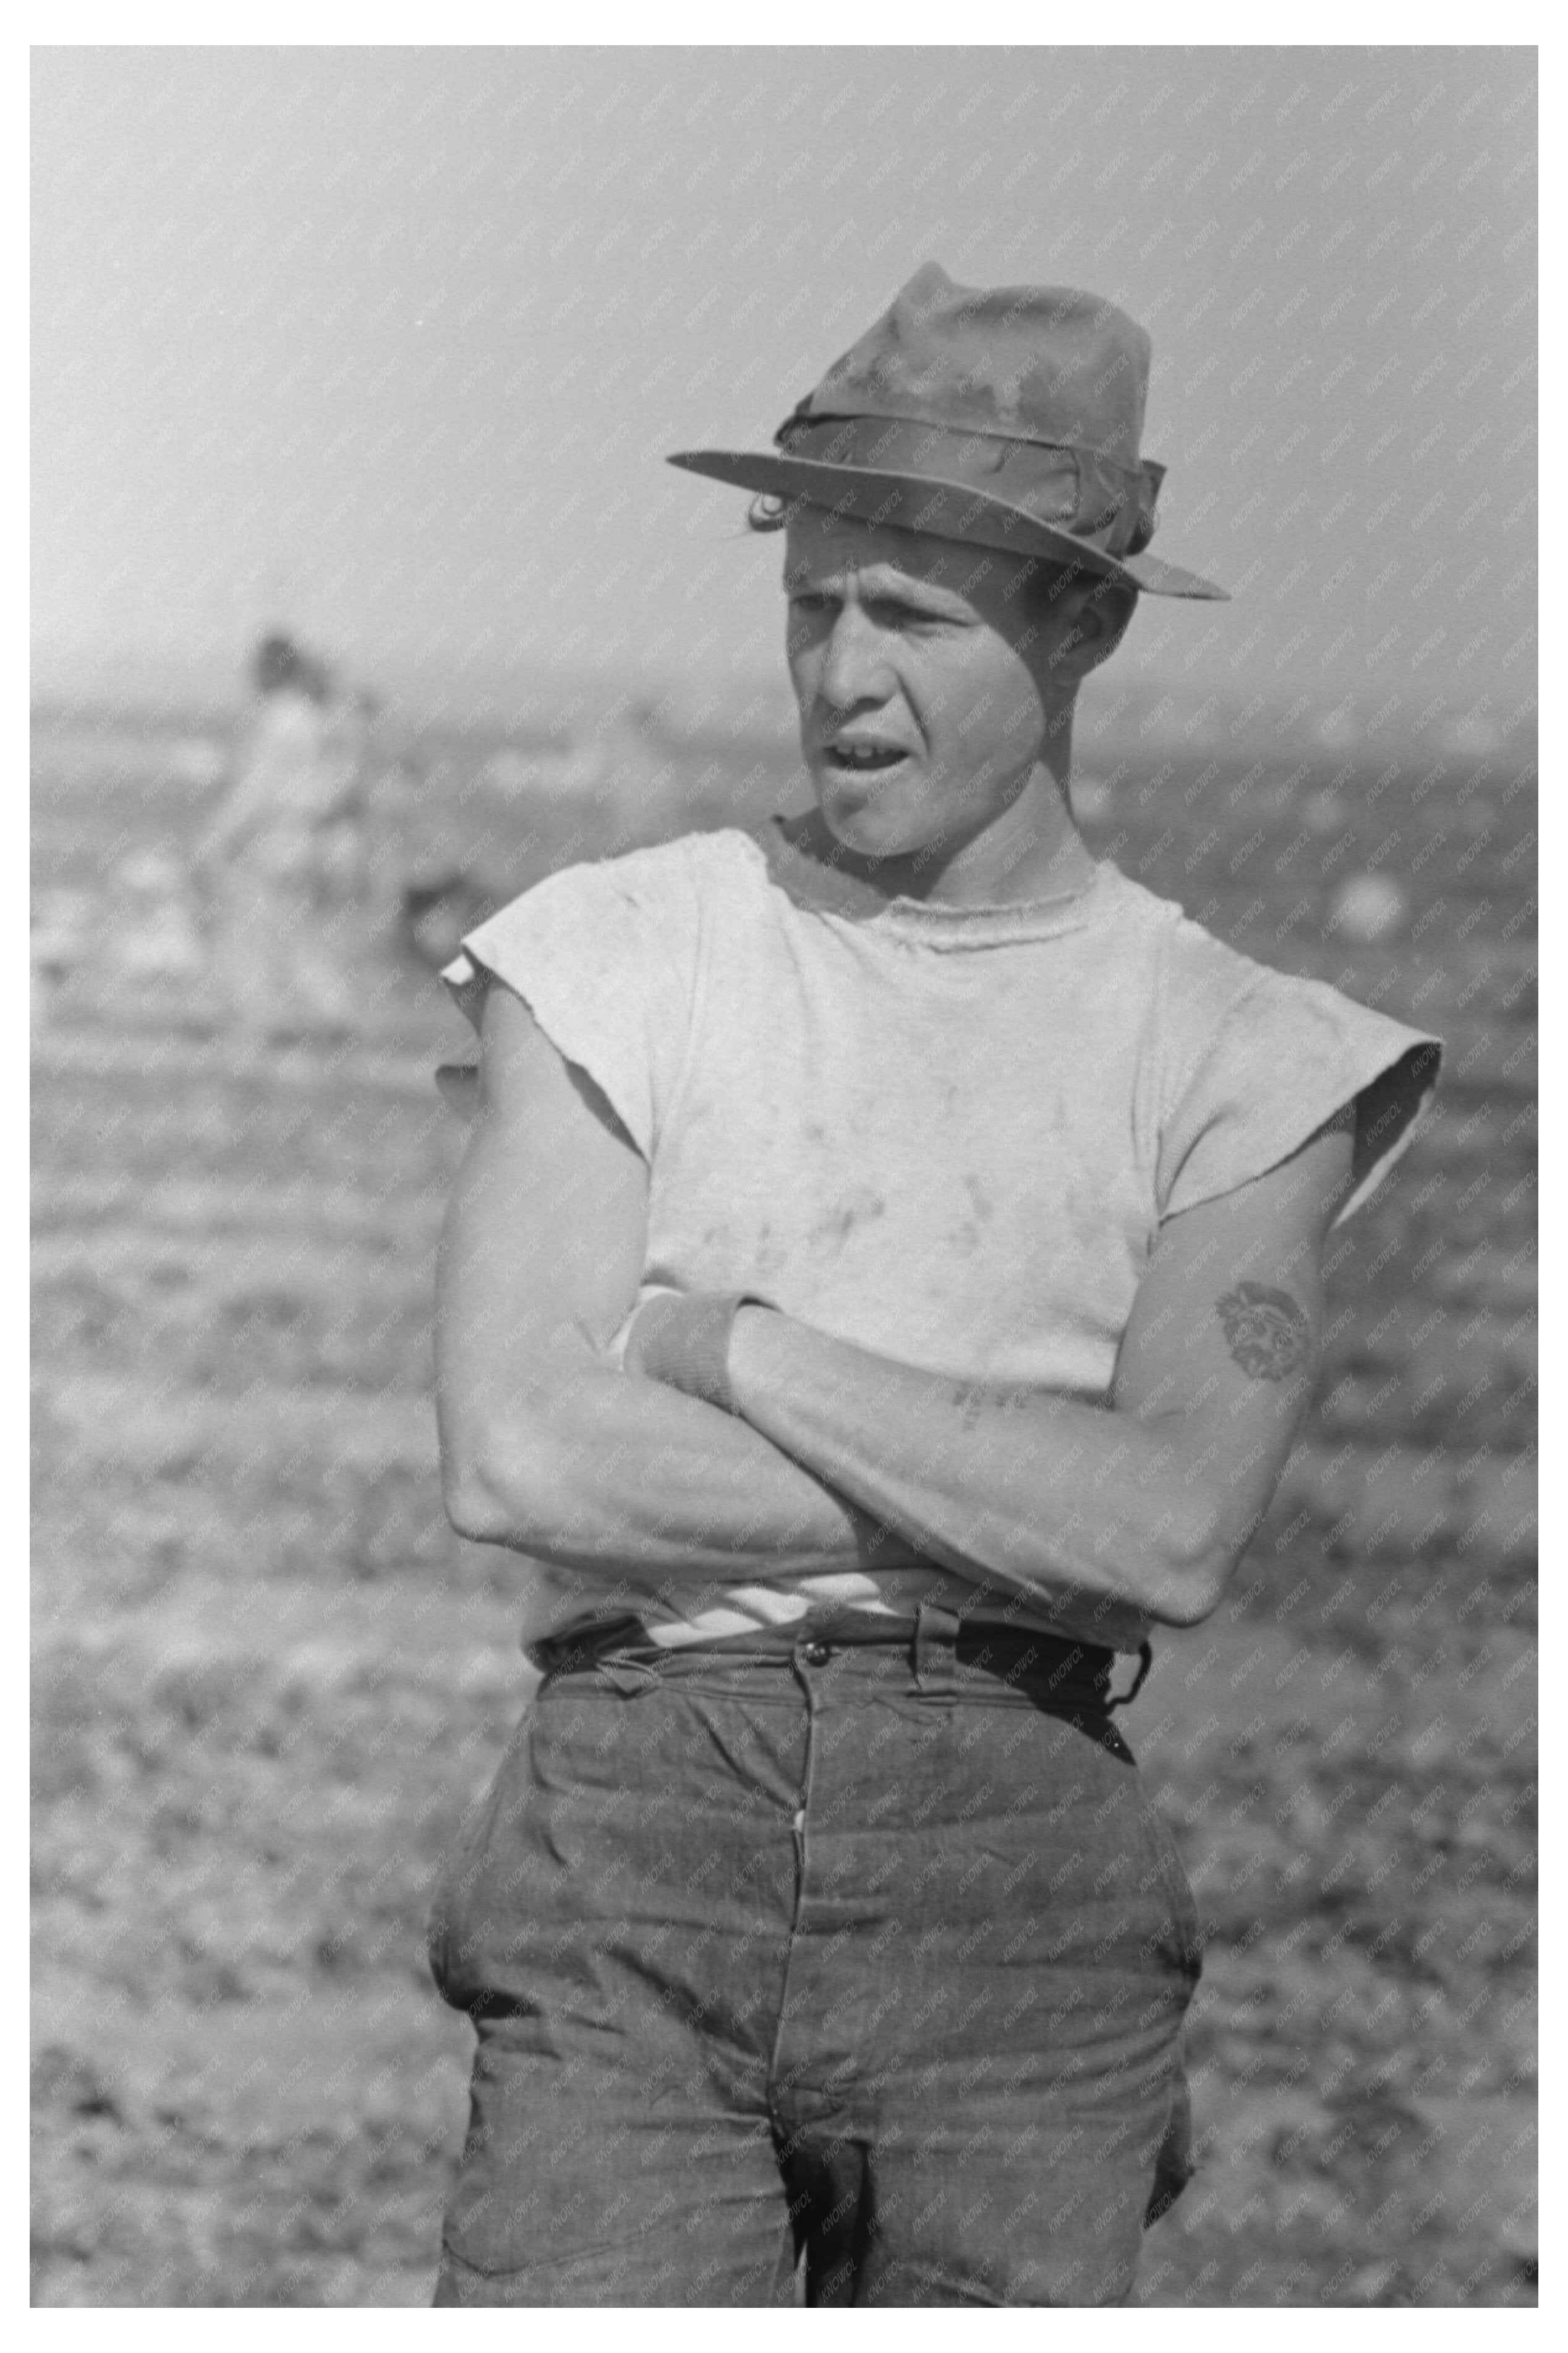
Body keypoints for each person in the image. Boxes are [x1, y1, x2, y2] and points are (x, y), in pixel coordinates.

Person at [425, 264, 1442, 2307]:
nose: (841, 673)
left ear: (1084, 624)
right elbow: (521, 1450)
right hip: (634, 1831)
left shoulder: (1245, 1055)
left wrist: (723, 1344)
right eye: (811, 603)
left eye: (912, 614)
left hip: (1017, 1877)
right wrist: (1027, 1484)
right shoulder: (616, 951)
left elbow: (1171, 1535)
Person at [192, 632, 367, 1042]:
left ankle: (263, 1020)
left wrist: (215, 837)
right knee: (294, 930)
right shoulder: (315, 717)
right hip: (309, 838)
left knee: (249, 929)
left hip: (274, 837)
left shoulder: (278, 719)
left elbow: (257, 789)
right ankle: (332, 1013)